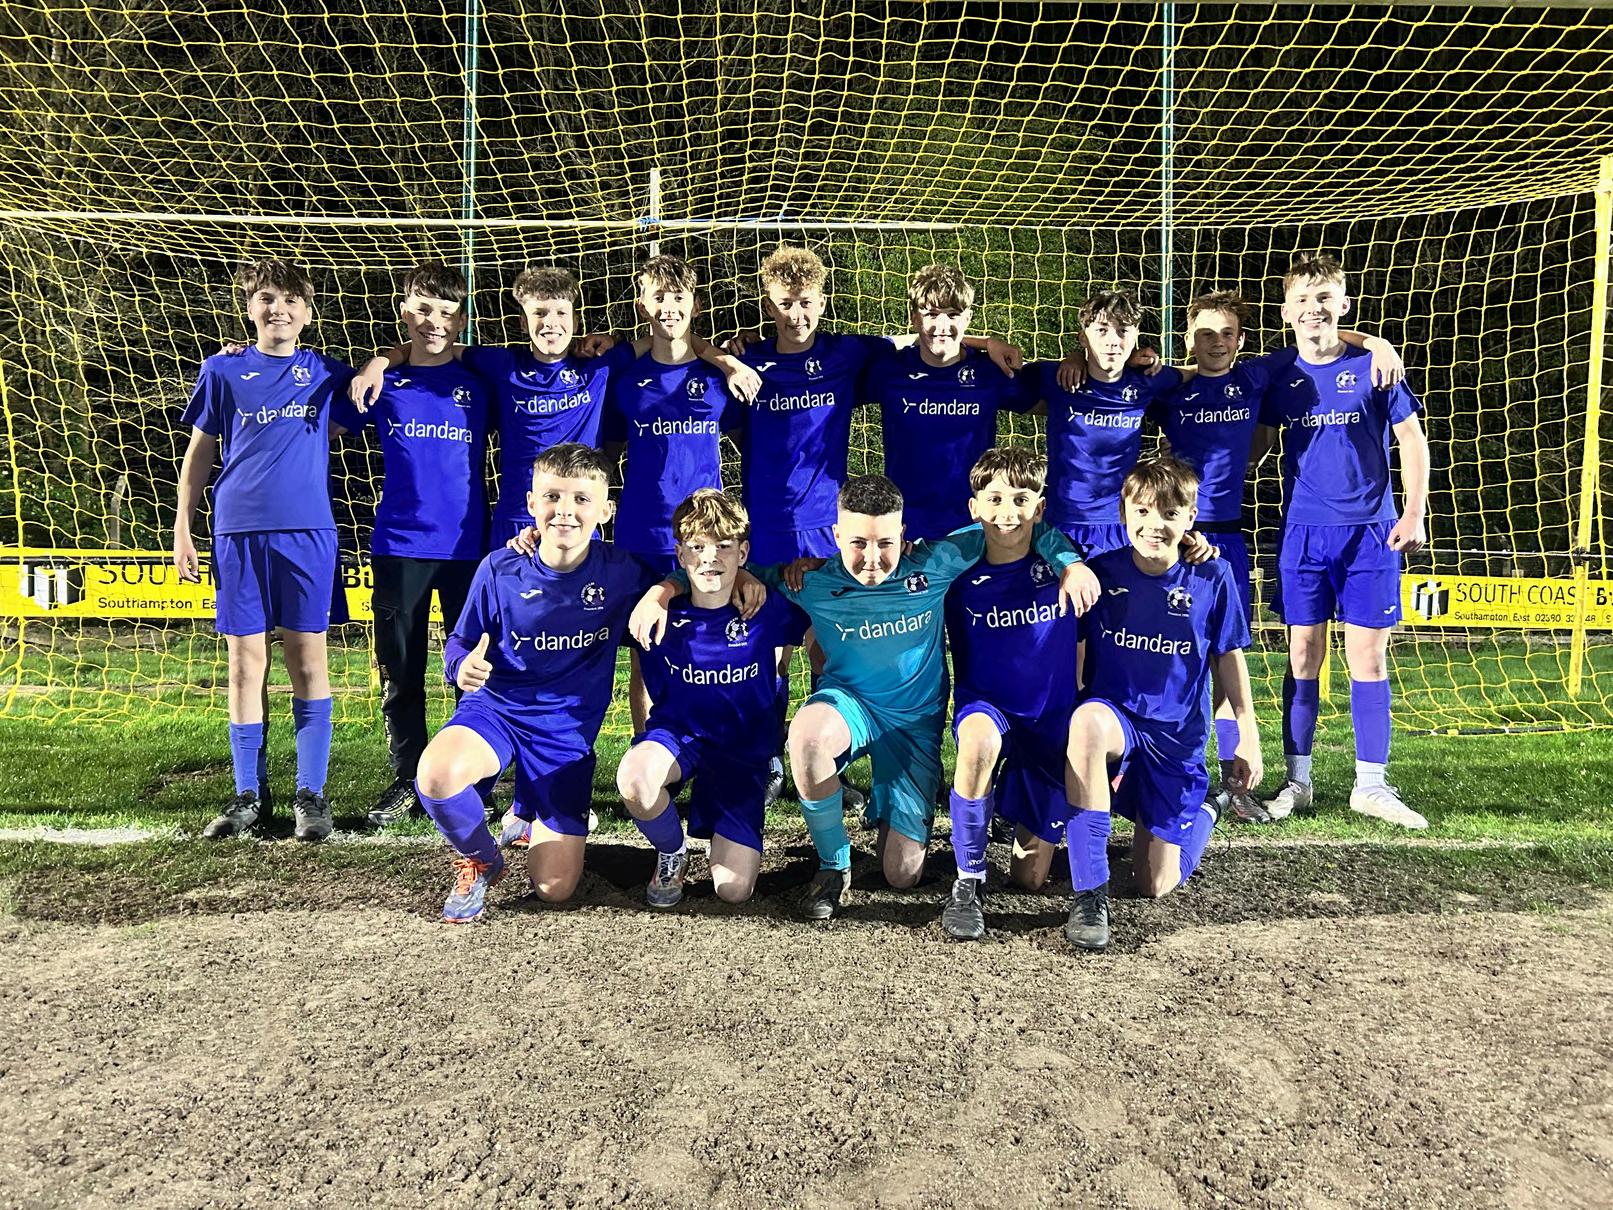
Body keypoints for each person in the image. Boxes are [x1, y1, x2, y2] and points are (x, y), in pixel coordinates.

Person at [635, 473, 1099, 922]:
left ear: (904, 535)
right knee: (807, 737)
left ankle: (887, 810)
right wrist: (665, 589)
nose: (872, 559)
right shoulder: (809, 581)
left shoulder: (936, 562)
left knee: (902, 874)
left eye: (885, 543)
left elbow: (1014, 526)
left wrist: (1070, 563)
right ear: (837, 536)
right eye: (858, 543)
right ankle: (833, 866)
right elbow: (714, 566)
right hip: (850, 706)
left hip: (914, 725)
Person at [1158, 288, 1403, 823]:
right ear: (1187, 338)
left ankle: (1234, 784)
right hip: (1169, 537)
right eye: (1205, 333)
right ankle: (1168, 775)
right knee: (1168, 663)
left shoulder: (1257, 378)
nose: (1216, 342)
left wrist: (1375, 342)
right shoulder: (1169, 387)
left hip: (1227, 539)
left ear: (1241, 340)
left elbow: (1317, 339)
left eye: (1227, 333)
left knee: (1225, 660)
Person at [412, 444, 671, 922]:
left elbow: (693, 579)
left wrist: (665, 590)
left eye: (581, 499)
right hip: (496, 711)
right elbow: (461, 640)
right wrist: (459, 666)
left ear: (606, 511)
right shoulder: (499, 568)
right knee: (435, 775)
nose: (565, 511)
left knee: (555, 889)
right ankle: (481, 858)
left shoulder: (624, 573)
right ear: (532, 503)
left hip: (564, 736)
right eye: (552, 496)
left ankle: (529, 812)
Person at [173, 258, 357, 843]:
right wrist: (183, 527)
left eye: (290, 300)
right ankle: (248, 794)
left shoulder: (328, 374)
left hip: (308, 533)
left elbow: (381, 387)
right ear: (249, 307)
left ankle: (311, 795)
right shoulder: (221, 370)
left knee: (308, 662)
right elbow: (200, 452)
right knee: (244, 664)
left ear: (309, 312)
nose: (278, 309)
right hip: (237, 532)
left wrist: (380, 362)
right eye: (266, 298)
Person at [1253, 254, 1430, 829]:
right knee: (1302, 654)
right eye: (1302, 300)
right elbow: (1248, 437)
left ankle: (1371, 785)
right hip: (1302, 533)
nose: (1314, 309)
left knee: (1368, 657)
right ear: (1286, 312)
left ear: (1344, 304)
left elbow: (1412, 440)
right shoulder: (1276, 374)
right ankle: (1297, 781)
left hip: (1371, 532)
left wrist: (1414, 512)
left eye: (1325, 297)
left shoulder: (1375, 365)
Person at [1063, 454, 1262, 952]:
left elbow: (1228, 657)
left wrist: (1248, 734)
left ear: (1191, 518)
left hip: (1175, 740)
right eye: (1143, 512)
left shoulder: (1213, 577)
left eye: (1170, 514)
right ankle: (1090, 895)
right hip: (1119, 724)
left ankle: (1208, 810)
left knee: (1155, 884)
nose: (1155, 525)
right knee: (1086, 722)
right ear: (1123, 512)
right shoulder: (1099, 574)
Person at [343, 262, 493, 828]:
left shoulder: (480, 383)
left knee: (471, 669)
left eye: (447, 311)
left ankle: (466, 779)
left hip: (468, 548)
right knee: (401, 669)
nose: (435, 321)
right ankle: (407, 778)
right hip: (398, 544)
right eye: (423, 309)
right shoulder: (381, 383)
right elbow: (319, 419)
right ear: (404, 311)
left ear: (462, 319)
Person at [618, 489, 809, 907]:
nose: (710, 557)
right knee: (635, 778)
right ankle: (672, 851)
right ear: (680, 554)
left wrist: (809, 567)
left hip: (741, 753)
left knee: (733, 891)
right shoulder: (655, 611)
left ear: (743, 552)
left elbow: (820, 600)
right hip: (679, 737)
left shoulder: (766, 605)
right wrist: (660, 591)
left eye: (723, 546)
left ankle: (729, 821)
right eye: (697, 547)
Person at [940, 448, 1080, 941]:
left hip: (1048, 725)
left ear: (1039, 509)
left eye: (1021, 499)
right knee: (978, 742)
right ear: (974, 507)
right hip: (987, 706)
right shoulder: (952, 571)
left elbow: (1139, 555)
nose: (1008, 512)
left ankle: (1004, 808)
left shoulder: (1067, 564)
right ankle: (968, 882)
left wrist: (1195, 544)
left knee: (1030, 879)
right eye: (995, 499)